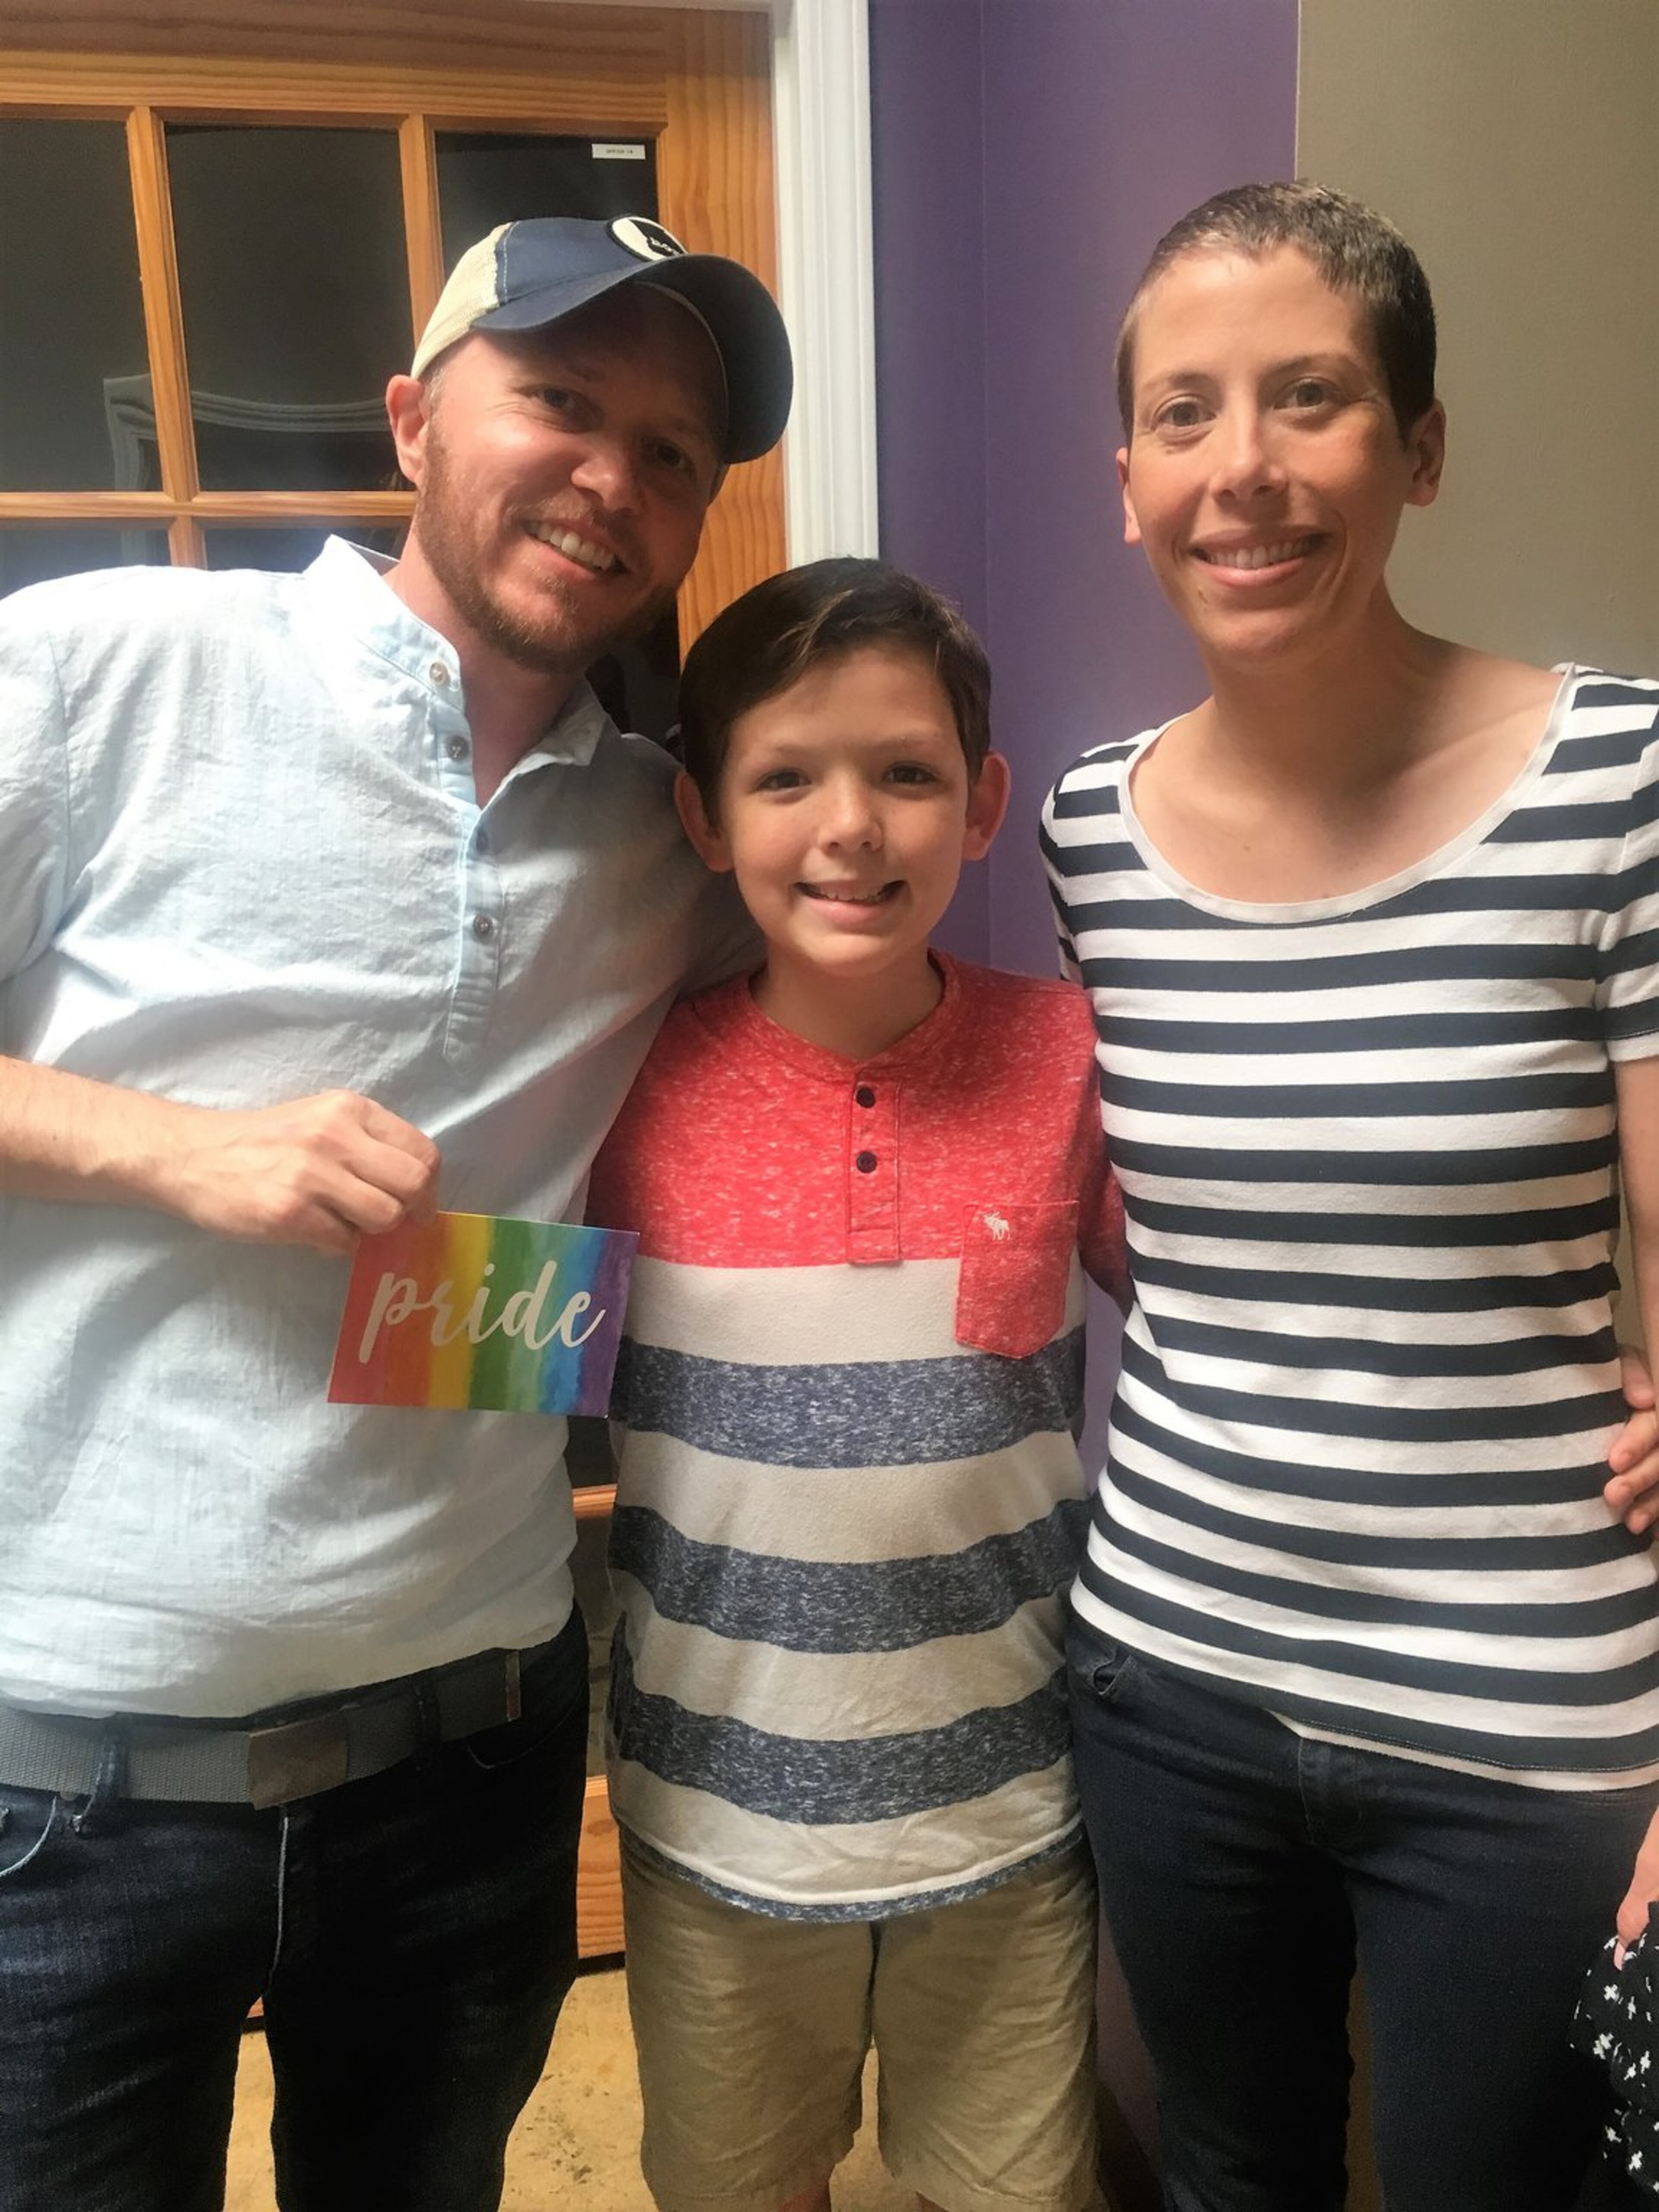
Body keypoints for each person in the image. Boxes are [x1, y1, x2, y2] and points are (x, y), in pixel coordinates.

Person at [0, 214, 790, 2212]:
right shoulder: (110, 667)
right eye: (560, 403)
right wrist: (170, 1145)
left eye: (676, 450)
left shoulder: (667, 836)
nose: (616, 477)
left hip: (475, 1751)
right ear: (414, 418)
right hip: (66, 1780)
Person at [1042, 178, 1659, 2212]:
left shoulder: (1620, 779)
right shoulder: (1087, 830)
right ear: (1124, 475)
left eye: (1310, 400)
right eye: (1189, 414)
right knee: (1233, 2167)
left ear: (1417, 447)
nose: (1248, 473)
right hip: (1173, 1667)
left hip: (1532, 1721)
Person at [585, 558, 1126, 2212]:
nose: (851, 825)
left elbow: (1229, 1306)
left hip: (1012, 1805)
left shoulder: (1067, 1057)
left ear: (982, 805)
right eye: (786, 777)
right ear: (704, 813)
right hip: (717, 1812)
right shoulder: (622, 1080)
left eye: (904, 773)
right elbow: (491, 1393)